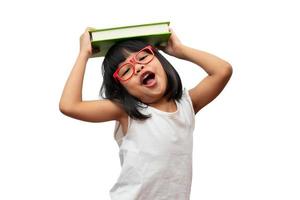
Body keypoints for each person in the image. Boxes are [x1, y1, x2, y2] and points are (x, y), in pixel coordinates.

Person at [59, 27, 233, 200]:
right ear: (122, 89)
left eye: (143, 57)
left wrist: (180, 50)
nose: (139, 67)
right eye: (126, 71)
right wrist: (84, 55)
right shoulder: (126, 112)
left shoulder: (187, 104)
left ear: (160, 60)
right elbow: (69, 105)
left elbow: (222, 70)